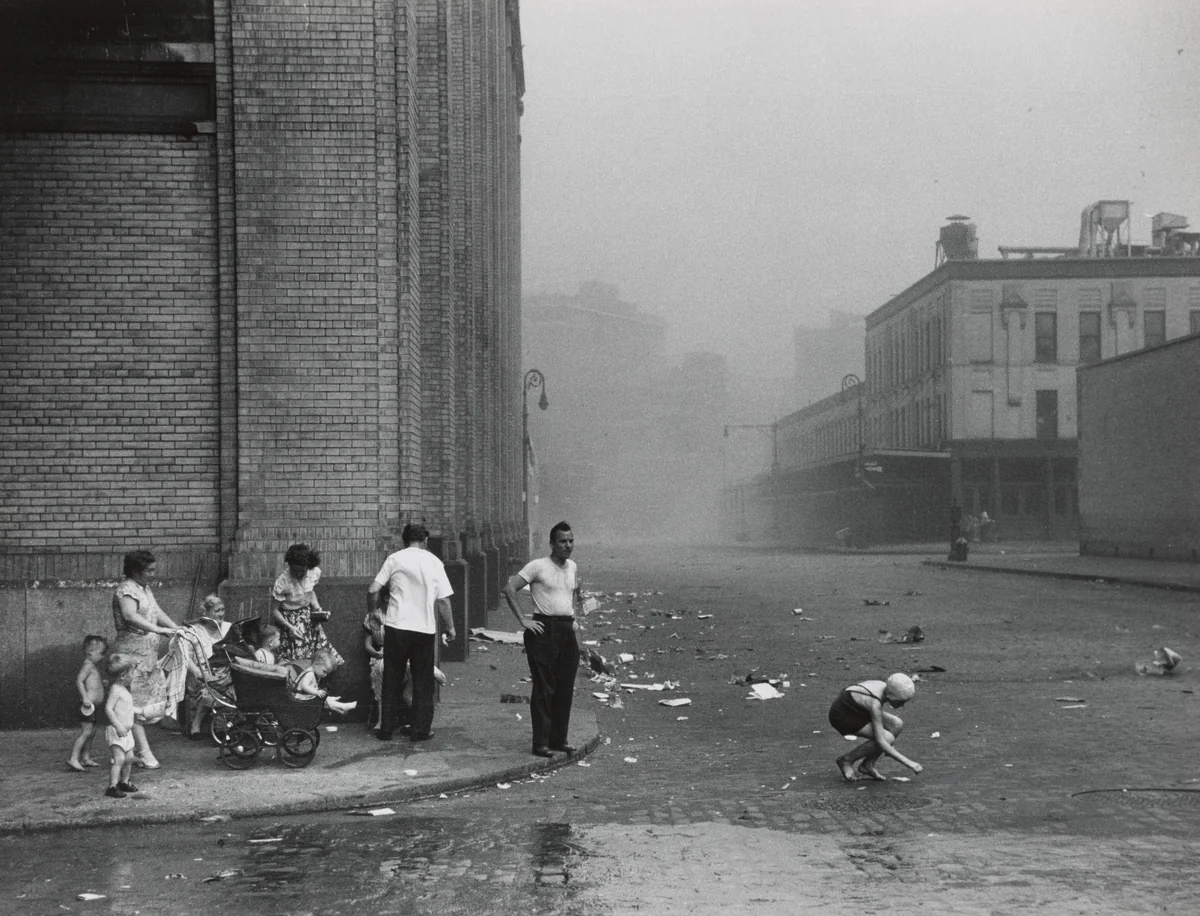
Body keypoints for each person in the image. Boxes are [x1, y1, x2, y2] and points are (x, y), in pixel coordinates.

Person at [367, 523, 455, 742]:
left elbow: (373, 589)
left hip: (396, 628)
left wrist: (372, 614)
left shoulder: (394, 559)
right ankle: (420, 729)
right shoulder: (434, 562)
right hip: (424, 630)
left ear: (403, 540)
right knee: (423, 681)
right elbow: (443, 600)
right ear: (424, 540)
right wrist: (451, 627)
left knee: (391, 678)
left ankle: (386, 728)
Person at [503, 521, 581, 758]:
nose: (567, 546)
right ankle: (540, 743)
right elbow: (509, 588)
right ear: (551, 543)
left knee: (565, 687)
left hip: (566, 630)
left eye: (570, 541)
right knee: (544, 688)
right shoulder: (538, 566)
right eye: (562, 541)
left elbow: (572, 592)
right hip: (543, 629)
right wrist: (523, 621)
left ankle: (559, 739)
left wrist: (574, 614)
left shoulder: (573, 567)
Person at [111, 550, 183, 770]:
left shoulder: (144, 588)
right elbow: (131, 616)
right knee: (131, 704)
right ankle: (144, 753)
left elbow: (156, 611)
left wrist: (175, 628)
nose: (153, 574)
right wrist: (159, 630)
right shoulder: (125, 589)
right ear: (135, 570)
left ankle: (130, 751)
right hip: (131, 653)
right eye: (149, 570)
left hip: (147, 653)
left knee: (145, 704)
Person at [828, 673, 923, 781]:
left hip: (857, 708)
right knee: (887, 738)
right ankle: (847, 760)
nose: (902, 705)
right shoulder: (875, 704)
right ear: (890, 696)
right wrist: (910, 763)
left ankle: (867, 765)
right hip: (842, 715)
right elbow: (881, 742)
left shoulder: (886, 687)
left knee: (897, 724)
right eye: (900, 702)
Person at [271, 543, 341, 665]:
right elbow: (274, 610)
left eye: (301, 571)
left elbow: (310, 592)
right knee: (298, 656)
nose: (298, 574)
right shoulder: (282, 582)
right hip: (290, 622)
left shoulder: (313, 573)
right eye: (294, 571)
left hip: (308, 618)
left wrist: (317, 608)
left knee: (321, 653)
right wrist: (290, 627)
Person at [103, 654, 151, 798]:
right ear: (123, 675)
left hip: (127, 732)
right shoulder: (116, 690)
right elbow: (108, 708)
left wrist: (142, 711)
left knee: (129, 758)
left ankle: (124, 781)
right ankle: (112, 786)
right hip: (117, 731)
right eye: (132, 672)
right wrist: (117, 724)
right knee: (119, 759)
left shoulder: (124, 689)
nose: (134, 674)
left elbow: (128, 708)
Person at [68, 635, 108, 772]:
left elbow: (92, 684)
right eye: (101, 653)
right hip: (87, 707)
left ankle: (85, 758)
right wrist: (85, 697)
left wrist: (102, 684)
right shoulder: (87, 666)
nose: (103, 657)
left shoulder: (92, 666)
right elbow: (79, 681)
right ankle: (74, 758)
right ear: (90, 652)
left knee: (92, 732)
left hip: (93, 707)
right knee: (86, 732)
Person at [287, 648, 357, 714]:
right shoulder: (310, 673)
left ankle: (337, 705)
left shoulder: (314, 674)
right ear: (316, 664)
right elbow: (304, 686)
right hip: (298, 698)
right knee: (322, 700)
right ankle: (342, 706)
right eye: (324, 671)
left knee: (324, 699)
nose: (325, 675)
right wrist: (316, 692)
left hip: (302, 697)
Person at [363, 609, 387, 731]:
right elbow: (368, 644)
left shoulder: (404, 610)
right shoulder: (374, 615)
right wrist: (377, 654)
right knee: (380, 669)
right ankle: (381, 720)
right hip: (381, 653)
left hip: (403, 652)